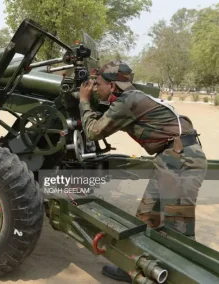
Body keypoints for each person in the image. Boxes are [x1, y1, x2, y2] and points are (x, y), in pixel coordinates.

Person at [78, 60, 208, 283]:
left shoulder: (129, 101)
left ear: (113, 85)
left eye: (97, 83)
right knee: (147, 218)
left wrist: (83, 101)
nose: (94, 87)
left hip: (181, 161)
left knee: (178, 230)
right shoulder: (132, 98)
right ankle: (132, 267)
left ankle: (183, 278)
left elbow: (93, 131)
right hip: (172, 158)